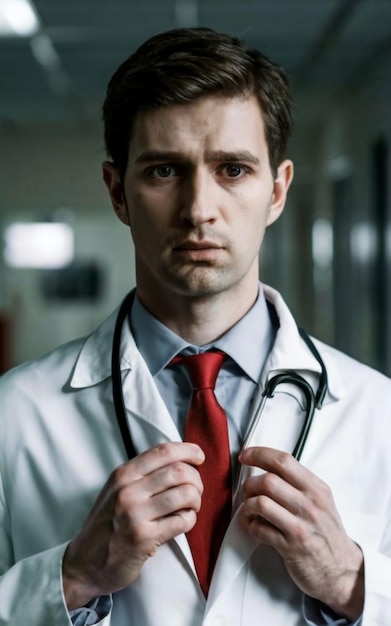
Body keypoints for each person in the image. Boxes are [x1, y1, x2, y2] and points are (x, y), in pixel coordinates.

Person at [0, 26, 391, 626]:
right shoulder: (14, 415)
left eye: (233, 169)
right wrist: (73, 577)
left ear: (278, 190)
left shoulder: (378, 413)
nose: (199, 209)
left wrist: (354, 582)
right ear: (117, 192)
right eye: (163, 171)